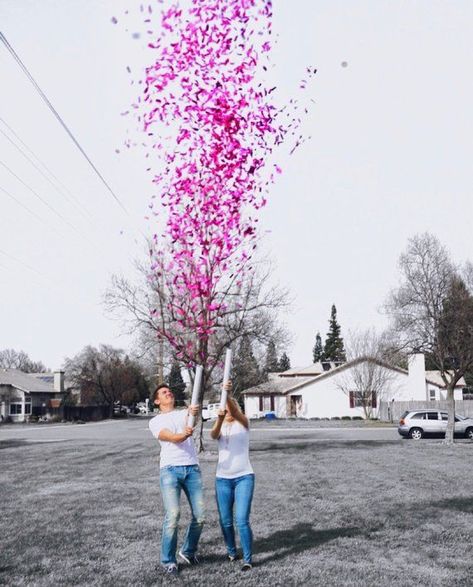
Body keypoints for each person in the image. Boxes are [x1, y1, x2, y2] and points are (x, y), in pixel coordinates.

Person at [148, 383, 204, 576]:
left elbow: (192, 421)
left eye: (169, 391)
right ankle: (168, 561)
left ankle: (188, 551)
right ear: (157, 401)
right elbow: (171, 437)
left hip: (192, 468)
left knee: (201, 515)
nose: (168, 393)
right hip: (170, 470)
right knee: (173, 515)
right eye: (163, 392)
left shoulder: (182, 413)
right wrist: (182, 435)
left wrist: (193, 412)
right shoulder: (155, 421)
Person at [210, 382, 255, 571]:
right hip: (222, 479)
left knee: (241, 519)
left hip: (244, 477)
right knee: (225, 520)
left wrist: (225, 393)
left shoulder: (243, 423)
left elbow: (236, 414)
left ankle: (247, 559)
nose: (227, 411)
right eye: (224, 409)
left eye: (229, 408)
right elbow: (213, 435)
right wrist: (220, 419)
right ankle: (231, 551)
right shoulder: (220, 424)